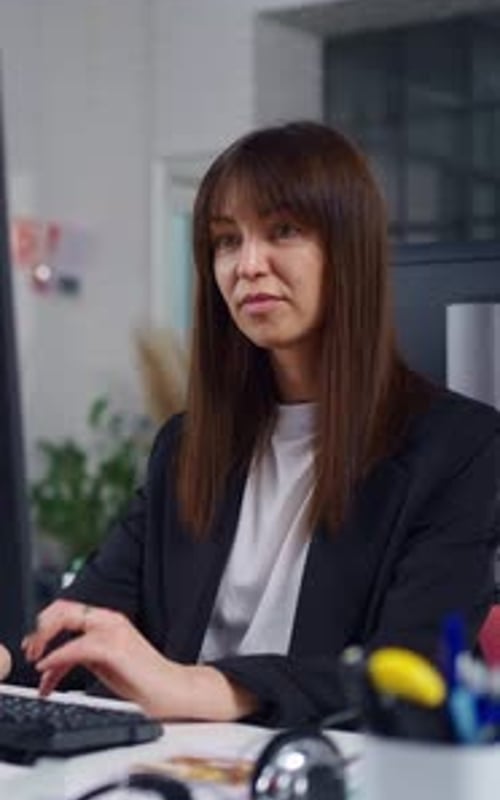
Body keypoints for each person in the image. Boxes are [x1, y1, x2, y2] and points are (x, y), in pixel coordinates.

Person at [2, 121, 499, 728]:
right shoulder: (185, 447)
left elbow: (408, 672)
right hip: (182, 766)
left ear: (349, 249)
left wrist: (193, 687)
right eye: (226, 241)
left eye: (283, 230)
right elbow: (84, 621)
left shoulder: (459, 448)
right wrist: (9, 658)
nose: (248, 265)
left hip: (332, 771)